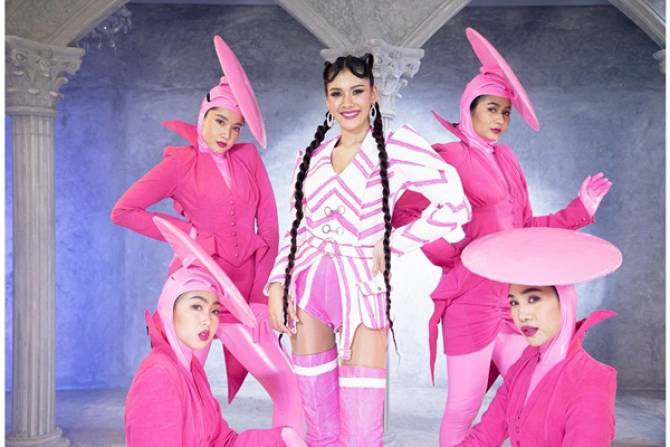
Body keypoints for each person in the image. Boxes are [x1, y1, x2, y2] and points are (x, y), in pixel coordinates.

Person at [392, 27, 613, 446]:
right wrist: (450, 253)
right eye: (492, 109)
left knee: (533, 386)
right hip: (469, 301)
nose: (500, 120)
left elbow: (525, 230)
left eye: (506, 113)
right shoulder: (446, 156)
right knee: (464, 406)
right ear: (469, 108)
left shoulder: (508, 158)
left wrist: (579, 209)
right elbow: (405, 213)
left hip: (513, 301)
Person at [266, 53, 471, 446]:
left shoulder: (396, 146)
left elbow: (456, 205)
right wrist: (277, 284)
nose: (348, 102)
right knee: (319, 425)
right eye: (337, 93)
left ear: (374, 94)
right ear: (327, 99)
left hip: (362, 290)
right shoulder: (310, 158)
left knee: (361, 431)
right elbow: (295, 228)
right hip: (305, 289)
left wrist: (394, 243)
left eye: (357, 91)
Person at [112, 35, 303, 431]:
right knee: (180, 385)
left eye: (235, 127)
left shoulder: (248, 158)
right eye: (219, 121)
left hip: (244, 294)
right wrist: (187, 233)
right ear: (203, 115)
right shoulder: (179, 164)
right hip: (196, 290)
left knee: (287, 387)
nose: (227, 135)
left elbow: (269, 228)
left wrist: (259, 295)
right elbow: (124, 211)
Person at [125, 217, 307, 447]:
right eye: (196, 307)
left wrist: (281, 437)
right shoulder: (158, 376)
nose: (207, 320)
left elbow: (223, 441)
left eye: (214, 311)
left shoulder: (192, 371)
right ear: (169, 310)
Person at [454, 226, 620, 446]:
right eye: (514, 302)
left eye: (533, 299)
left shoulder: (591, 379)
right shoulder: (524, 365)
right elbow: (484, 436)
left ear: (564, 302)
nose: (521, 314)